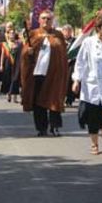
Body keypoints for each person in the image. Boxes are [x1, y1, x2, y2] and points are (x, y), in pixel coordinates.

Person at [72, 11, 102, 156]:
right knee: (93, 116)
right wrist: (76, 80)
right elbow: (80, 62)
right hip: (91, 85)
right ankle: (94, 143)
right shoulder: (88, 42)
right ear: (98, 27)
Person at [21, 8, 69, 138]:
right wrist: (28, 52)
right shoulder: (33, 34)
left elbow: (63, 56)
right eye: (43, 18)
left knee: (54, 101)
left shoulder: (58, 35)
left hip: (54, 74)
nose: (46, 21)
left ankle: (55, 127)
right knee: (38, 102)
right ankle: (41, 128)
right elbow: (24, 54)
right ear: (39, 20)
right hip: (37, 74)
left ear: (52, 20)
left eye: (48, 18)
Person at [0, 23, 22, 102]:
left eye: (13, 33)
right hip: (7, 64)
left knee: (15, 80)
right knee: (8, 79)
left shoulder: (19, 44)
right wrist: (1, 65)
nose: (12, 34)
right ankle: (9, 94)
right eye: (10, 33)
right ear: (8, 35)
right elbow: (2, 55)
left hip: (16, 65)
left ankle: (15, 97)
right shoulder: (5, 44)